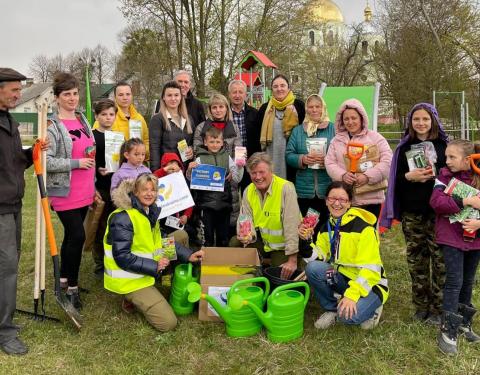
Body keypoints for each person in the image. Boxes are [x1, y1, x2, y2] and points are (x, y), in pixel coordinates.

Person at [104, 173, 204, 332]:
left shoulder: (148, 210)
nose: (149, 193)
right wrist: (154, 266)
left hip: (146, 270)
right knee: (168, 323)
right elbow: (122, 257)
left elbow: (160, 239)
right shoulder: (123, 217)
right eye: (145, 189)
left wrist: (188, 254)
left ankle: (165, 282)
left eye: (153, 190)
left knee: (180, 236)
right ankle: (129, 298)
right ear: (135, 192)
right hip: (131, 279)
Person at [380, 103, 448, 324]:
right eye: (416, 119)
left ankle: (438, 308)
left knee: (440, 261)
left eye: (425, 119)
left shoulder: (443, 146)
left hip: (438, 213)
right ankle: (421, 305)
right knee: (417, 260)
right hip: (413, 213)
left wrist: (436, 175)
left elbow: (453, 177)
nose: (421, 123)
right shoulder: (404, 147)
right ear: (410, 122)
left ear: (433, 121)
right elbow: (395, 180)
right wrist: (411, 177)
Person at [0, 68, 48, 356]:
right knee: (6, 269)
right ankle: (4, 332)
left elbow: (14, 162)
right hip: (0, 208)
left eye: (20, 90)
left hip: (14, 204)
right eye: (14, 91)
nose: (19, 95)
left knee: (9, 264)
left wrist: (32, 153)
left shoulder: (10, 121)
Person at [302, 181, 388, 330]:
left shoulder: (364, 228)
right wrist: (305, 241)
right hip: (342, 279)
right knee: (313, 268)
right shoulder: (325, 227)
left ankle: (374, 307)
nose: (337, 203)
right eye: (332, 199)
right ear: (326, 201)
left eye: (342, 200)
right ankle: (331, 309)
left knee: (347, 317)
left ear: (349, 203)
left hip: (370, 283)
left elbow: (371, 270)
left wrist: (351, 295)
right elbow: (319, 260)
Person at [46, 72, 95, 310]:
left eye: (75, 93)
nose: (72, 98)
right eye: (67, 94)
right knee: (78, 236)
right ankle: (73, 288)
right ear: (57, 97)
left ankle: (64, 277)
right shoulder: (52, 126)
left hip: (85, 189)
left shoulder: (83, 119)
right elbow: (47, 162)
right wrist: (76, 164)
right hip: (64, 191)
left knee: (70, 237)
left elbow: (89, 150)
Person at [430, 139, 480, 354]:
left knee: (468, 281)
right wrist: (465, 202)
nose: (447, 161)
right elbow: (437, 203)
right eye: (446, 156)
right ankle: (447, 329)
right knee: (454, 281)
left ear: (468, 160)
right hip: (451, 237)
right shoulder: (443, 177)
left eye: (452, 157)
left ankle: (463, 323)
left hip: (475, 238)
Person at [234, 152, 301, 279]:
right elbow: (245, 219)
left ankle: (298, 262)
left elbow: (291, 226)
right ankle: (249, 280)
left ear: (271, 171)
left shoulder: (286, 188)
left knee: (277, 277)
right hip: (264, 243)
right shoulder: (248, 190)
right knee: (234, 243)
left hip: (284, 247)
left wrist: (292, 260)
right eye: (254, 173)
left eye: (261, 172)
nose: (258, 177)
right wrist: (247, 236)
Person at [325, 98, 392, 221]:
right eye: (346, 119)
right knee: (345, 236)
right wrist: (343, 175)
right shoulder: (336, 141)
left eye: (354, 118)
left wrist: (367, 176)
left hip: (370, 200)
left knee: (367, 236)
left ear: (361, 118)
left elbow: (388, 162)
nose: (350, 122)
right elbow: (329, 163)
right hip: (344, 200)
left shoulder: (375, 138)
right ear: (342, 121)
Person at [188, 127, 244, 247]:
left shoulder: (227, 157)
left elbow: (237, 178)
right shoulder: (199, 158)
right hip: (206, 206)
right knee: (206, 238)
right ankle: (206, 262)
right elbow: (191, 180)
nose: (214, 145)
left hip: (224, 204)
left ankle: (221, 262)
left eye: (217, 142)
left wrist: (240, 165)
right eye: (211, 142)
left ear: (222, 142)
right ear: (205, 142)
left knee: (223, 238)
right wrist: (189, 169)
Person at [286, 94, 335, 230]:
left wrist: (328, 161)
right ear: (306, 109)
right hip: (304, 189)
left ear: (323, 108)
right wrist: (302, 159)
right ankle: (308, 251)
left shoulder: (333, 129)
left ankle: (325, 251)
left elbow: (340, 154)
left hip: (327, 189)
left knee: (325, 227)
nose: (314, 110)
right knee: (307, 228)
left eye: (317, 107)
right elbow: (289, 154)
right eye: (311, 107)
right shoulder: (298, 131)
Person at [256, 74, 305, 180]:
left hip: (292, 163)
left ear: (289, 88)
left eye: (283, 85)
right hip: (270, 160)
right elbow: (257, 136)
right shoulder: (264, 109)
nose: (279, 89)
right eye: (275, 86)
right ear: (271, 90)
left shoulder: (299, 106)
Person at [91, 99, 119, 278]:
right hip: (99, 188)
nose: (108, 118)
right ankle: (99, 263)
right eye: (104, 114)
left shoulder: (118, 137)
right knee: (99, 225)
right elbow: (87, 160)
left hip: (116, 188)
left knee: (115, 225)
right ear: (96, 116)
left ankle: (114, 259)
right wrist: (96, 170)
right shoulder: (92, 136)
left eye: (111, 114)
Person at [93, 81, 149, 160]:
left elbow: (146, 140)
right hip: (114, 166)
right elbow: (95, 142)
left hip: (138, 165)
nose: (125, 98)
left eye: (128, 94)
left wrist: (141, 153)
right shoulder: (106, 117)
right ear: (115, 97)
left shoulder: (139, 118)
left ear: (132, 96)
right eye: (121, 95)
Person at [149, 81, 194, 172]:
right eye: (169, 95)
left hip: (186, 170)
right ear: (163, 98)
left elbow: (192, 142)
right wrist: (156, 173)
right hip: (167, 170)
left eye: (176, 95)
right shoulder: (157, 119)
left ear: (181, 97)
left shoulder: (189, 119)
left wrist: (192, 150)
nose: (173, 98)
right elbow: (154, 149)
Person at [153, 152, 192, 247]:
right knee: (168, 245)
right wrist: (164, 170)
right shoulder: (158, 180)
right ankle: (168, 258)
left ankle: (182, 259)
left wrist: (186, 215)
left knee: (183, 237)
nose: (172, 167)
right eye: (169, 164)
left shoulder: (182, 181)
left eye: (176, 164)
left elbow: (189, 201)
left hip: (178, 221)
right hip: (162, 222)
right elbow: (153, 177)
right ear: (164, 167)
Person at [228, 79, 259, 192]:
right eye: (234, 92)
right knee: (232, 196)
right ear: (229, 94)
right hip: (230, 161)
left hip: (250, 161)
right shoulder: (224, 114)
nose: (237, 95)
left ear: (245, 94)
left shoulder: (255, 114)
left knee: (250, 193)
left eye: (240, 92)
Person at [193, 92, 241, 157]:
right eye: (214, 107)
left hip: (228, 165)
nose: (218, 110)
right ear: (210, 110)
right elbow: (197, 150)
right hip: (207, 164)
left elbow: (237, 152)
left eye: (221, 107)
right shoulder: (201, 127)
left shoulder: (235, 128)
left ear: (226, 108)